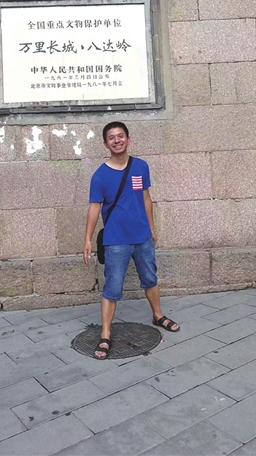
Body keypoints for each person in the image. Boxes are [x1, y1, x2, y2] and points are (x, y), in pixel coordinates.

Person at [83, 121, 180, 360]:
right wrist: (87, 239)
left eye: (121, 136)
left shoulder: (140, 166)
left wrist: (152, 228)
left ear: (128, 139)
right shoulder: (100, 176)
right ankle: (105, 334)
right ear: (105, 144)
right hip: (116, 240)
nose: (117, 140)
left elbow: (146, 198)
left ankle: (158, 315)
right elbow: (94, 208)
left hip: (142, 236)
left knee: (150, 278)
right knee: (112, 287)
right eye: (112, 138)